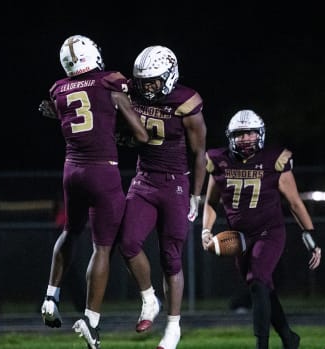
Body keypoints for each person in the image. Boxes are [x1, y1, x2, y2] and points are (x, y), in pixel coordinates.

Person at [38, 34, 149, 349]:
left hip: (71, 171)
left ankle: (50, 297)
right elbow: (140, 134)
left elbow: (75, 116)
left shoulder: (58, 89)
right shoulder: (109, 82)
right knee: (102, 248)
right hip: (103, 170)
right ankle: (91, 321)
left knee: (70, 231)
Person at [200, 109, 322, 349]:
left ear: (261, 135)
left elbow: (295, 202)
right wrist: (206, 230)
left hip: (269, 231)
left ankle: (262, 345)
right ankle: (289, 337)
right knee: (262, 287)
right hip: (240, 237)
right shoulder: (219, 160)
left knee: (257, 280)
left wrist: (310, 236)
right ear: (230, 137)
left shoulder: (275, 159)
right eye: (240, 134)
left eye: (250, 133)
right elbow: (211, 202)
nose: (245, 138)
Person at [117, 45, 207, 349]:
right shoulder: (135, 90)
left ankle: (173, 326)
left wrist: (197, 194)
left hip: (175, 185)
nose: (147, 86)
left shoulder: (186, 102)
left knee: (171, 258)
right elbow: (107, 86)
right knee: (127, 242)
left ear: (169, 76)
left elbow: (199, 152)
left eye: (153, 80)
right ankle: (149, 299)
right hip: (144, 180)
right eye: (143, 81)